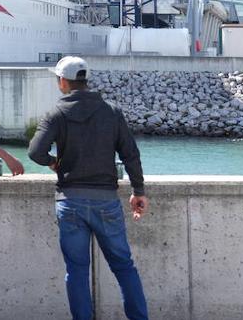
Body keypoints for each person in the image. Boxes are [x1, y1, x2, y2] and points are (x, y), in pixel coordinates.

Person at [27, 56, 149, 320]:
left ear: (62, 82)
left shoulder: (56, 113)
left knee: (77, 271)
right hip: (106, 200)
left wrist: (53, 162)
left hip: (70, 201)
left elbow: (35, 151)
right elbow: (131, 154)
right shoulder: (111, 111)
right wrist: (138, 191)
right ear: (85, 81)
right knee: (124, 267)